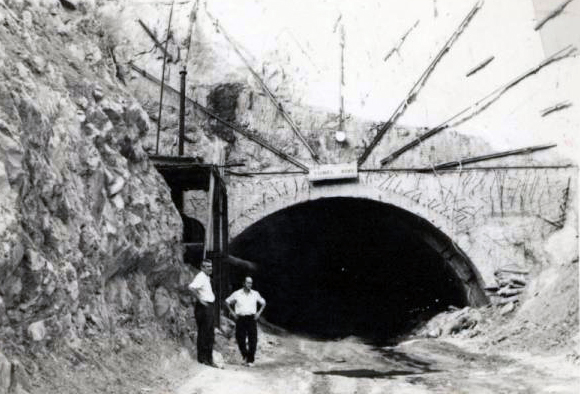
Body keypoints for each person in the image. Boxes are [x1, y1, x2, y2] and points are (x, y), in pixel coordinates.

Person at [225, 276, 266, 367]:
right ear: (243, 283)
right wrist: (232, 313)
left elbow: (263, 302)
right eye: (248, 283)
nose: (249, 285)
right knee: (240, 338)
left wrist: (259, 313)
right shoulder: (237, 293)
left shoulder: (255, 294)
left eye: (251, 283)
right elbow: (227, 301)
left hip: (252, 318)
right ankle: (245, 356)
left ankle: (250, 360)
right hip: (241, 318)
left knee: (253, 339)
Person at [188, 259, 219, 368]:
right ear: (202, 267)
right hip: (204, 307)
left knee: (209, 333)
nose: (210, 268)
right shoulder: (201, 276)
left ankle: (207, 358)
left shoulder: (206, 277)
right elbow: (191, 287)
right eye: (207, 266)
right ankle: (203, 358)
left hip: (209, 307)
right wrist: (200, 299)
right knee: (204, 333)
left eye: (210, 266)